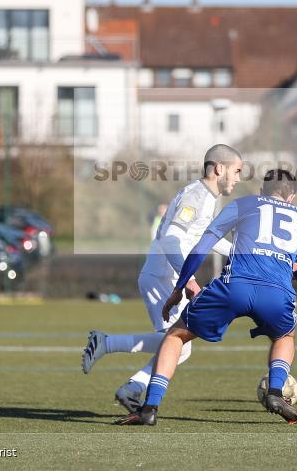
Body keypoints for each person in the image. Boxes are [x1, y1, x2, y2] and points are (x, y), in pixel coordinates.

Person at [115, 169, 297, 427]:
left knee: (176, 336)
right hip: (277, 293)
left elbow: (202, 245)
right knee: (284, 336)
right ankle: (275, 392)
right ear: (291, 197)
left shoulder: (243, 204)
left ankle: (149, 408)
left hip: (233, 286)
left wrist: (180, 286)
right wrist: (296, 276)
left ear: (261, 191)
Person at [81, 144, 243, 411]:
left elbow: (207, 239)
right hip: (161, 276)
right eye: (236, 171)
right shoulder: (197, 196)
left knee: (178, 342)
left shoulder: (205, 197)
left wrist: (248, 254)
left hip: (165, 276)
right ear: (219, 169)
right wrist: (187, 280)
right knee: (178, 342)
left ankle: (125, 377)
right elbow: (171, 240)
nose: (238, 178)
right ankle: (121, 371)